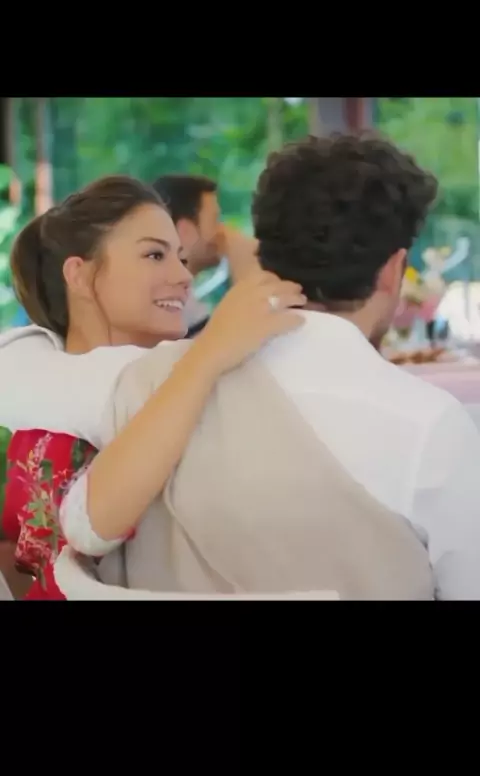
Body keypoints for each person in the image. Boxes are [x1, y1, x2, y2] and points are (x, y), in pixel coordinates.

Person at [69, 134, 480, 600]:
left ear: (265, 249)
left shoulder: (144, 384)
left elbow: (80, 531)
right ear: (393, 270)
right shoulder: (429, 427)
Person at [0, 175, 305, 598]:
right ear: (80, 276)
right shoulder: (63, 420)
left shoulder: (38, 396)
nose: (183, 275)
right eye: (154, 255)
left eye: (180, 257)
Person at [152, 174, 258, 335]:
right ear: (185, 231)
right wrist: (245, 270)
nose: (222, 231)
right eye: (215, 220)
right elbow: (237, 341)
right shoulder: (174, 309)